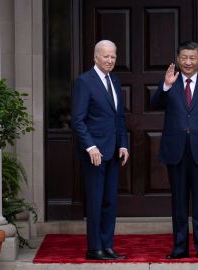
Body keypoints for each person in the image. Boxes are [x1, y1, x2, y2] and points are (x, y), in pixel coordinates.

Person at [151, 41, 198, 260]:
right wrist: (165, 86)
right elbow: (154, 104)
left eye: (192, 58)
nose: (187, 62)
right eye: (183, 57)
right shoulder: (170, 82)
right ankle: (180, 248)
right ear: (178, 59)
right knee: (179, 203)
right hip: (176, 151)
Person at [72, 40, 129, 260]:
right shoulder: (84, 82)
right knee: (95, 201)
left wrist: (123, 144)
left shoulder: (115, 80)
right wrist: (90, 146)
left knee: (110, 202)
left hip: (114, 152)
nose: (110, 60)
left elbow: (119, 117)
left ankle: (107, 246)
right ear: (95, 57)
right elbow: (78, 120)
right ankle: (94, 248)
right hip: (94, 154)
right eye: (106, 56)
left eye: (113, 56)